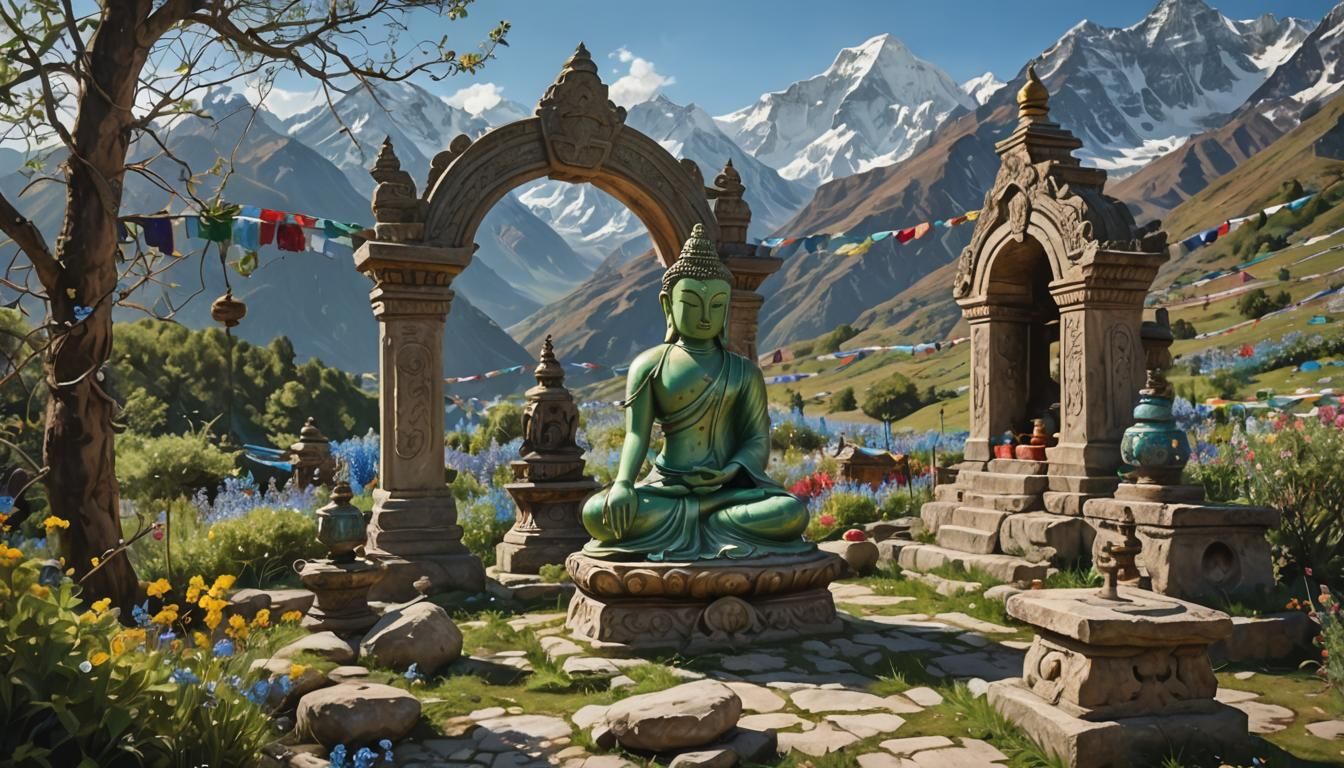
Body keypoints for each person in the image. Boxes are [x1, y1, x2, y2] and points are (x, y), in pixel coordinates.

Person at [580, 224, 811, 561]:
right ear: (668, 306)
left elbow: (756, 440)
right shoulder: (650, 365)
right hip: (666, 489)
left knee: (789, 511)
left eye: (716, 305)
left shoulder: (743, 370)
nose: (705, 316)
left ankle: (706, 519)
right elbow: (636, 434)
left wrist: (729, 472)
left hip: (728, 491)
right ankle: (712, 525)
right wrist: (624, 484)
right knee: (597, 513)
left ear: (727, 309)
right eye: (691, 303)